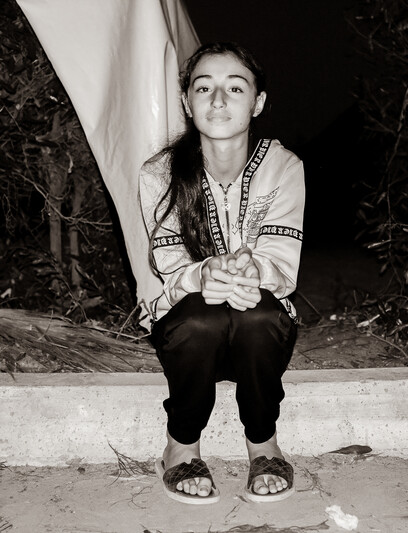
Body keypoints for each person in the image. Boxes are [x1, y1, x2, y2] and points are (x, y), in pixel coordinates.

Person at [138, 42, 305, 504]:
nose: (218, 101)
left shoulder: (285, 166)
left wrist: (250, 270)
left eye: (235, 88)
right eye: (203, 87)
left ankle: (263, 443)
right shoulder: (159, 173)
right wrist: (205, 274)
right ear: (187, 102)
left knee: (259, 315)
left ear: (258, 102)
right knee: (201, 317)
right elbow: (169, 267)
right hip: (190, 332)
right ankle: (181, 446)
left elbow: (282, 266)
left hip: (257, 327)